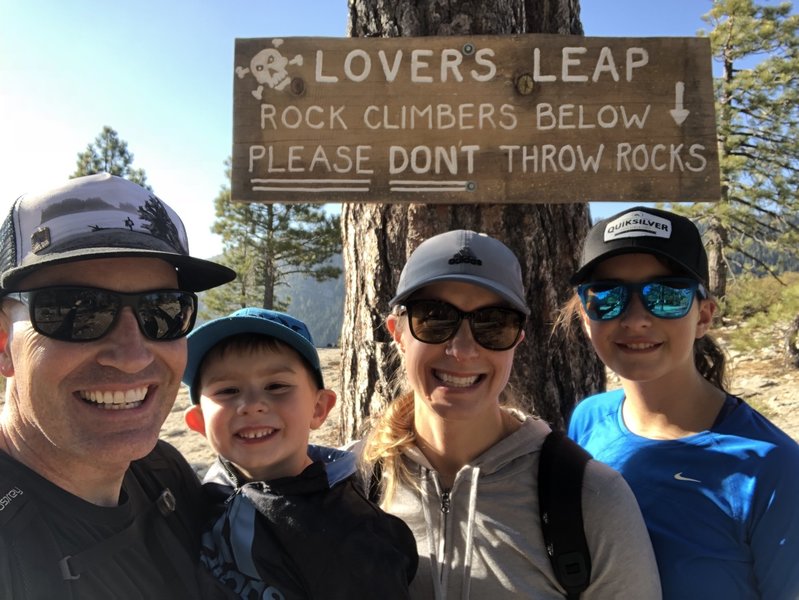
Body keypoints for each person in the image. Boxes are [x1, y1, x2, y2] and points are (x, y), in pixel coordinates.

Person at [359, 229, 661, 599]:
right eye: (435, 318)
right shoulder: (352, 483)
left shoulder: (591, 499)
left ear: (517, 339)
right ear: (398, 333)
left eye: (493, 324)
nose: (463, 349)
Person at [0, 173, 238, 598]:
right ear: (4, 344)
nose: (133, 356)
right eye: (77, 310)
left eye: (164, 310)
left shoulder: (163, 470)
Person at [563, 206, 799, 599]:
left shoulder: (774, 470)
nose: (636, 319)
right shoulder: (586, 422)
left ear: (704, 316)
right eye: (606, 296)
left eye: (666, 295)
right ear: (586, 318)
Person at [182, 307, 418, 599]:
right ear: (199, 422)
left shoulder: (350, 535)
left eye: (276, 386)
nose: (252, 404)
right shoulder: (193, 490)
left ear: (319, 409)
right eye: (228, 390)